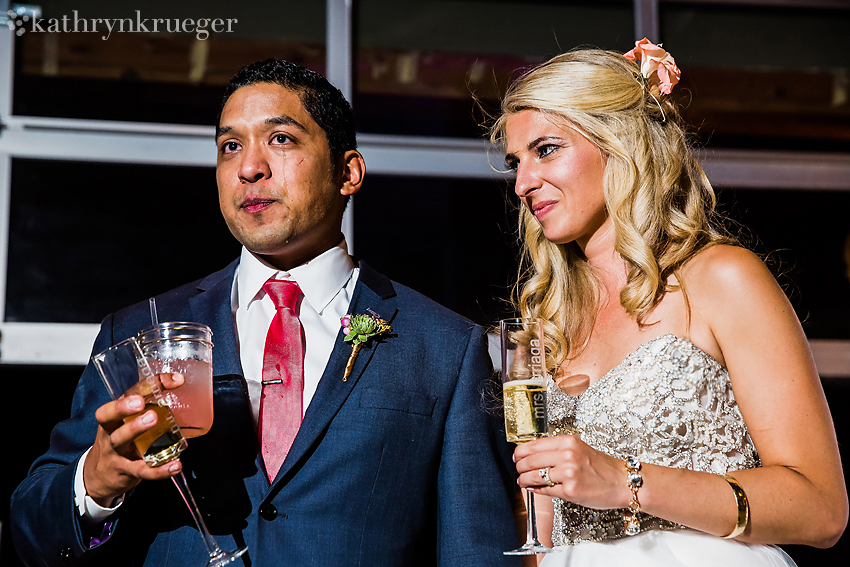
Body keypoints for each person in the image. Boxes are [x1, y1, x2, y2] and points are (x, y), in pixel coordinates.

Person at [10, 59, 521, 566]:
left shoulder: (445, 346)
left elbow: (475, 552)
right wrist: (97, 480)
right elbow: (32, 533)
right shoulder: (138, 331)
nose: (249, 167)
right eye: (230, 146)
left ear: (348, 171)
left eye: (281, 139)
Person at [490, 41, 848, 566]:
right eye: (514, 163)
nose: (523, 183)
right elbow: (542, 521)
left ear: (621, 143)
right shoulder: (548, 323)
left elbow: (821, 510)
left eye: (546, 149)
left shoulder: (722, 279)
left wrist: (627, 482)